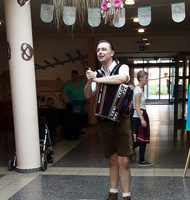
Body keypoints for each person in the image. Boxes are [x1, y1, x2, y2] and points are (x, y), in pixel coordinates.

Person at [84, 40, 131, 200]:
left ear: (112, 53)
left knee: (123, 161)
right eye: (98, 50)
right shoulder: (96, 74)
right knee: (111, 160)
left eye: (104, 49)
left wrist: (97, 80)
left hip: (121, 120)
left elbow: (122, 79)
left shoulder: (122, 67)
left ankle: (126, 196)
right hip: (104, 121)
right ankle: (113, 193)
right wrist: (90, 80)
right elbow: (87, 95)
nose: (100, 52)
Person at [131, 70, 152, 167]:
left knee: (142, 139)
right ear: (140, 78)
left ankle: (141, 159)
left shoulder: (138, 89)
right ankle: (129, 150)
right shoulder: (138, 90)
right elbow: (137, 106)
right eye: (146, 78)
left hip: (141, 115)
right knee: (141, 139)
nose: (147, 79)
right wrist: (142, 119)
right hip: (139, 116)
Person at [62, 70, 87, 139]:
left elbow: (85, 90)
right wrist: (67, 101)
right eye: (72, 76)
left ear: (77, 76)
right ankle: (75, 133)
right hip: (74, 103)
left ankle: (80, 130)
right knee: (75, 119)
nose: (74, 78)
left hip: (82, 102)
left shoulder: (81, 82)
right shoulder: (69, 84)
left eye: (75, 76)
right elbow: (64, 93)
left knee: (81, 118)